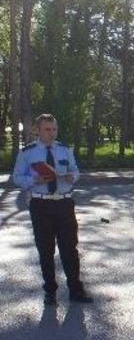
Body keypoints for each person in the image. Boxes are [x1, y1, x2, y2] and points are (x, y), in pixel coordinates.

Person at [12, 114, 93, 305]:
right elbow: (17, 177)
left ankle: (76, 291)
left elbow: (75, 170)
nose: (52, 133)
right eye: (47, 129)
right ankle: (50, 292)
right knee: (45, 250)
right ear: (38, 130)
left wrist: (72, 176)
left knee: (69, 248)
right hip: (41, 205)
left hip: (64, 203)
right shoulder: (28, 152)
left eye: (54, 129)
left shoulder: (65, 149)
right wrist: (34, 179)